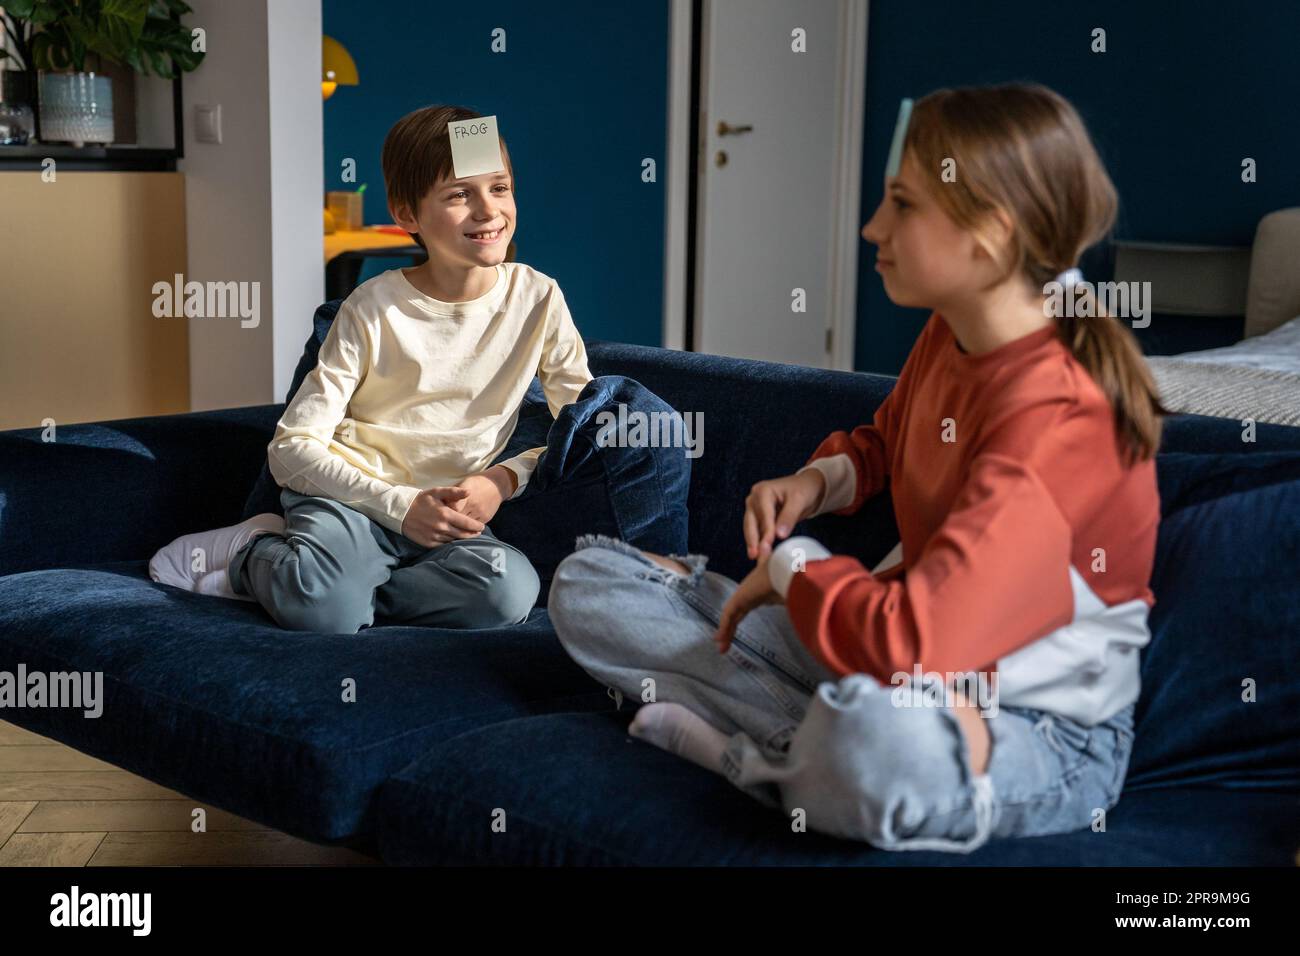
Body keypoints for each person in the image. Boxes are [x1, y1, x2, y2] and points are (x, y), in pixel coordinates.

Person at [548, 84, 1171, 852]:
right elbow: (884, 443)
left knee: (880, 741)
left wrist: (791, 570)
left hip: (1025, 721)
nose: (874, 227)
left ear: (991, 233)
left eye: (904, 205)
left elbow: (913, 642)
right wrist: (812, 485)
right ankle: (810, 735)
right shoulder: (957, 327)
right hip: (896, 649)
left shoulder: (1063, 419)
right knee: (590, 585)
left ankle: (753, 757)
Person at [149, 105, 689, 633]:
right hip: (352, 501)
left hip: (446, 519)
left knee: (506, 595)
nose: (487, 210)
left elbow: (580, 426)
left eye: (499, 188)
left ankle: (350, 587)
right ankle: (254, 551)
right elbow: (291, 449)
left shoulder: (538, 298)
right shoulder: (371, 308)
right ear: (407, 214)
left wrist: (501, 481)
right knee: (324, 612)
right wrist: (401, 507)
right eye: (459, 194)